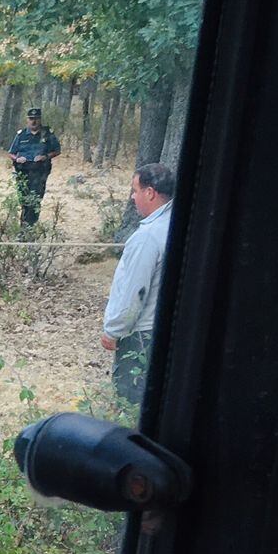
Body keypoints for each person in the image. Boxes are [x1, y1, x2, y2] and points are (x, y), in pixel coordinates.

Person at [102, 162, 177, 403]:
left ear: (150, 193)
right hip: (165, 330)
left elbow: (134, 293)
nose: (133, 197)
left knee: (130, 403)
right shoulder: (175, 225)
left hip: (140, 336)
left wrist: (113, 330)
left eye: (135, 191)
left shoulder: (147, 238)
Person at [7, 105, 62, 226]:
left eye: (36, 118)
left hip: (39, 172)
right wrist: (17, 158)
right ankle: (24, 226)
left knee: (35, 199)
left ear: (40, 119)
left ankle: (31, 226)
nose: (34, 121)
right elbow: (10, 153)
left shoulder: (47, 134)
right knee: (23, 199)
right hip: (23, 172)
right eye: (31, 118)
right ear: (27, 119)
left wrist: (45, 157)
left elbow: (57, 150)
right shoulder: (21, 135)